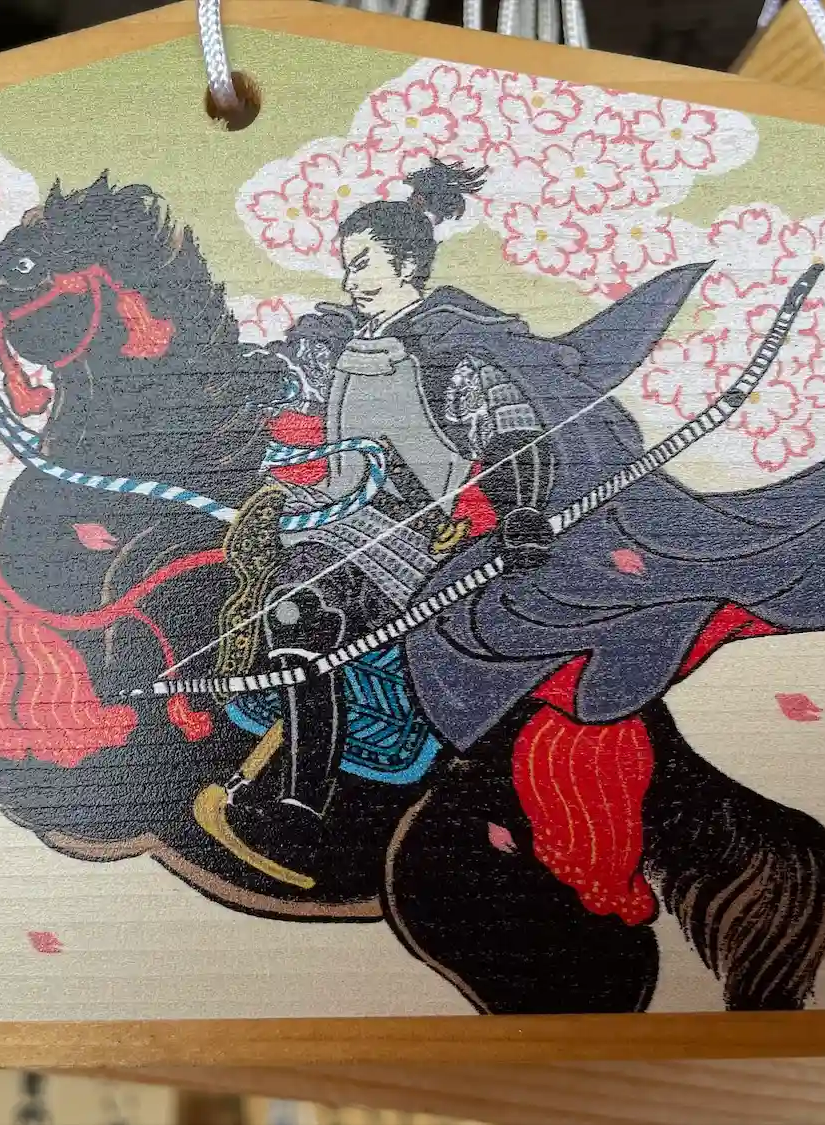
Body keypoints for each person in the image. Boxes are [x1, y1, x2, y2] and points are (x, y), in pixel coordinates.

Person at [222, 161, 568, 848]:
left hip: (415, 545)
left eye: (362, 265)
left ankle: (302, 803)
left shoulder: (452, 353)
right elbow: (293, 403)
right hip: (334, 521)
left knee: (298, 610)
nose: (350, 282)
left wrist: (523, 510)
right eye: (346, 267)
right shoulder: (341, 348)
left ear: (407, 265)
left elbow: (514, 436)